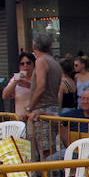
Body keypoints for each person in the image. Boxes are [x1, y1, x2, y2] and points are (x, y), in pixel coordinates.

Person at [26, 33, 62, 161]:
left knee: (46, 151)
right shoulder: (55, 63)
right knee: (50, 149)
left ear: (34, 46)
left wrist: (30, 107)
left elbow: (41, 86)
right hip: (52, 107)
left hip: (43, 110)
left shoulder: (41, 61)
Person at [2, 52, 35, 117]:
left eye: (28, 63)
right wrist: (15, 81)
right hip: (20, 119)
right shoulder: (16, 78)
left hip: (34, 118)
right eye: (22, 64)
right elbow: (5, 96)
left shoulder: (38, 77)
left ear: (33, 64)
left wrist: (29, 85)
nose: (25, 66)